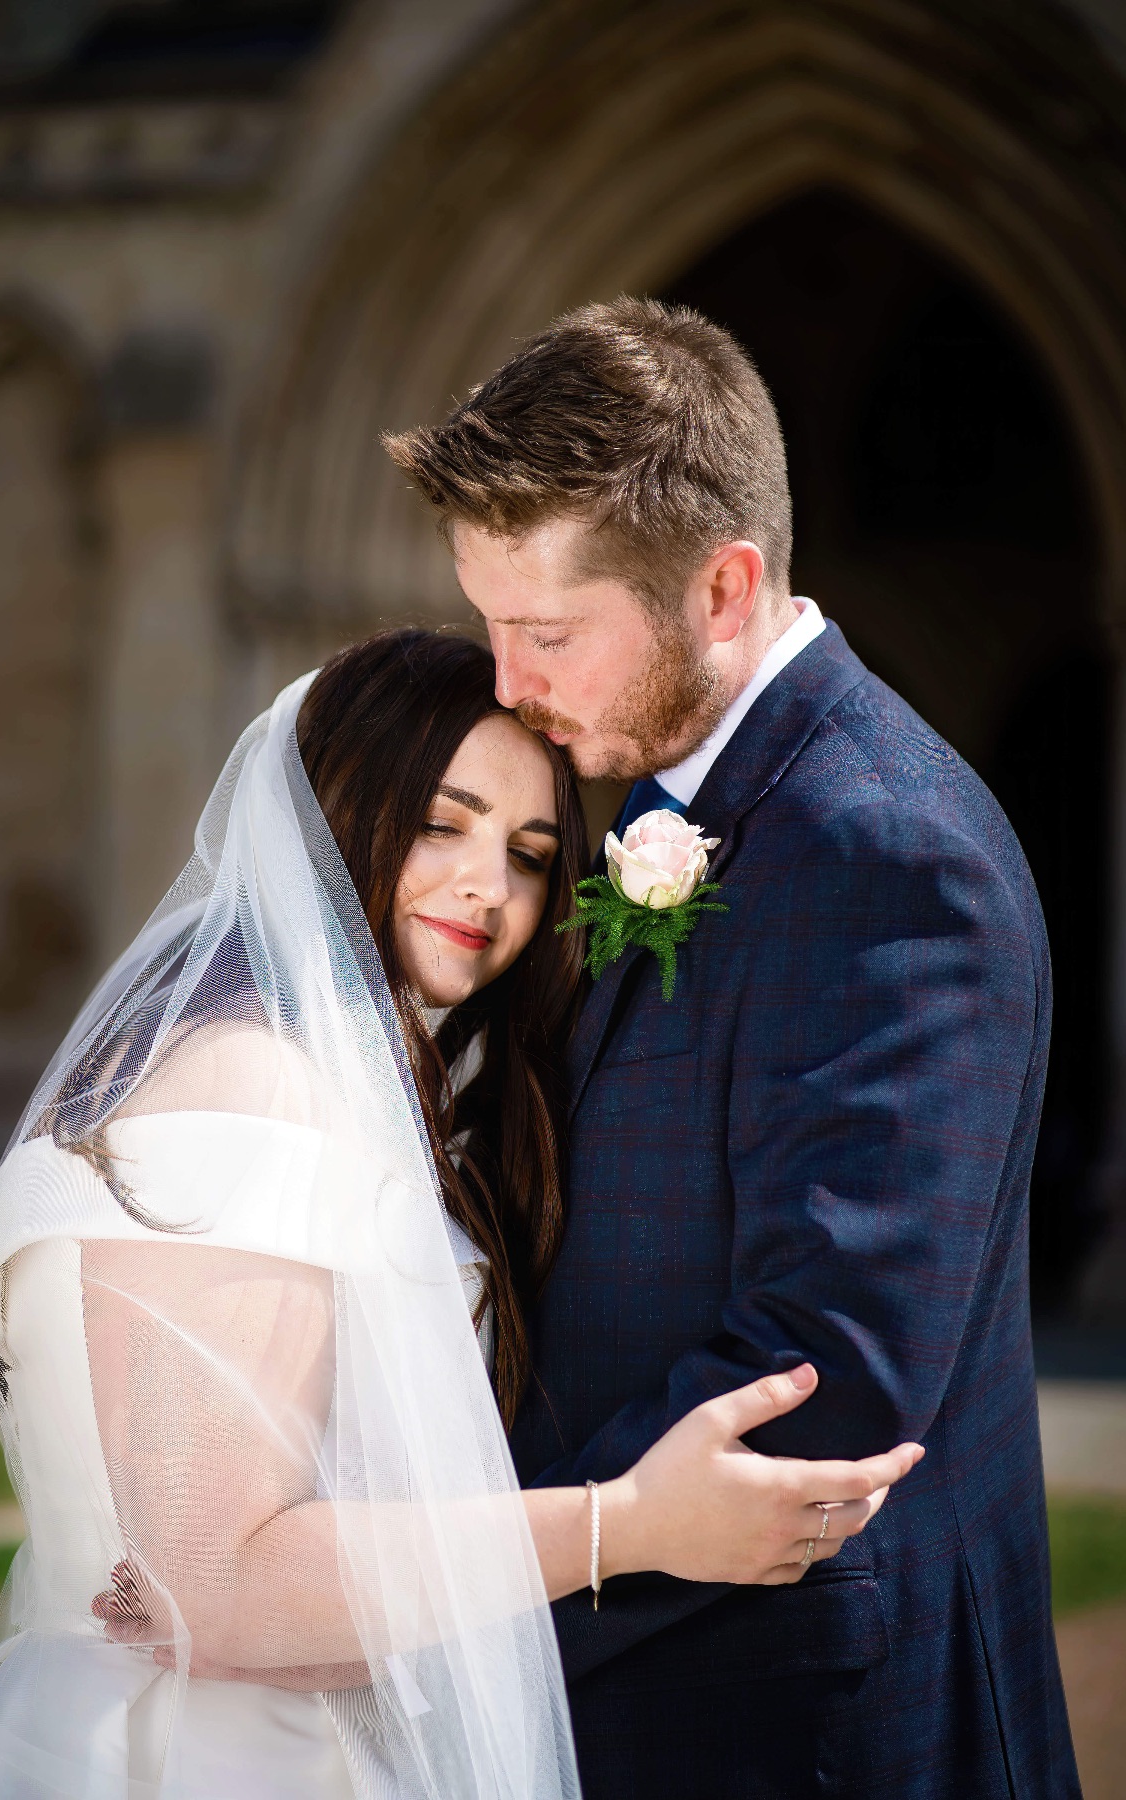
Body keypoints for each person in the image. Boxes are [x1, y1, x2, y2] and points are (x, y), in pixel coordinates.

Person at [0, 630, 919, 1800]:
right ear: (338, 810)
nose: (487, 887)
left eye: (531, 852)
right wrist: (627, 1525)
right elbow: (216, 1583)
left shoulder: (309, 1079)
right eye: (442, 824)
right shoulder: (255, 1085)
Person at [385, 299, 1081, 1799]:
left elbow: (819, 1377)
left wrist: (436, 1586)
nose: (508, 683)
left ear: (723, 590)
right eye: (494, 623)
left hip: (805, 1727)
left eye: (550, 633)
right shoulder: (660, 796)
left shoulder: (890, 852)